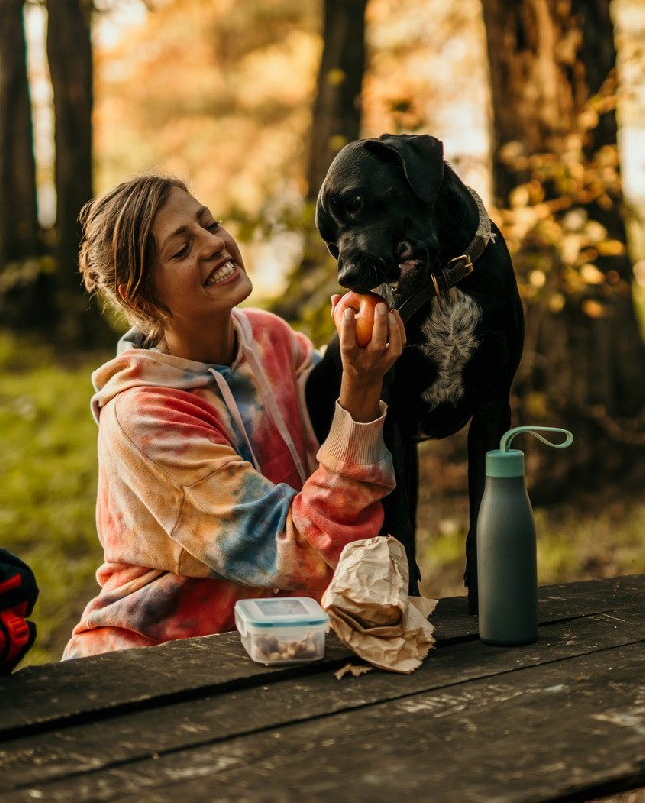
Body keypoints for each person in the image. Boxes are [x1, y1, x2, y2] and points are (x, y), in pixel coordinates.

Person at [63, 174, 406, 659]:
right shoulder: (144, 418)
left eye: (210, 224)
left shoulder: (268, 338)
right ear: (139, 296)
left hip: (277, 638)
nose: (214, 245)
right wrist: (363, 384)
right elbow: (301, 548)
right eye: (181, 250)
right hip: (158, 659)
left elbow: (333, 421)